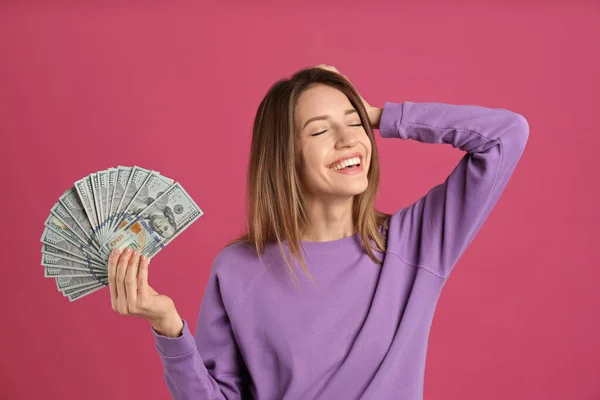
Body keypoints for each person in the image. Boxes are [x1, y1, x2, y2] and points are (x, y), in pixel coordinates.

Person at [106, 64, 529, 399]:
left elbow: (506, 135)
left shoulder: (417, 242)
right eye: (321, 130)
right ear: (286, 158)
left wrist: (382, 116)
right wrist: (168, 328)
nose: (349, 139)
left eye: (355, 122)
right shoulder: (237, 270)